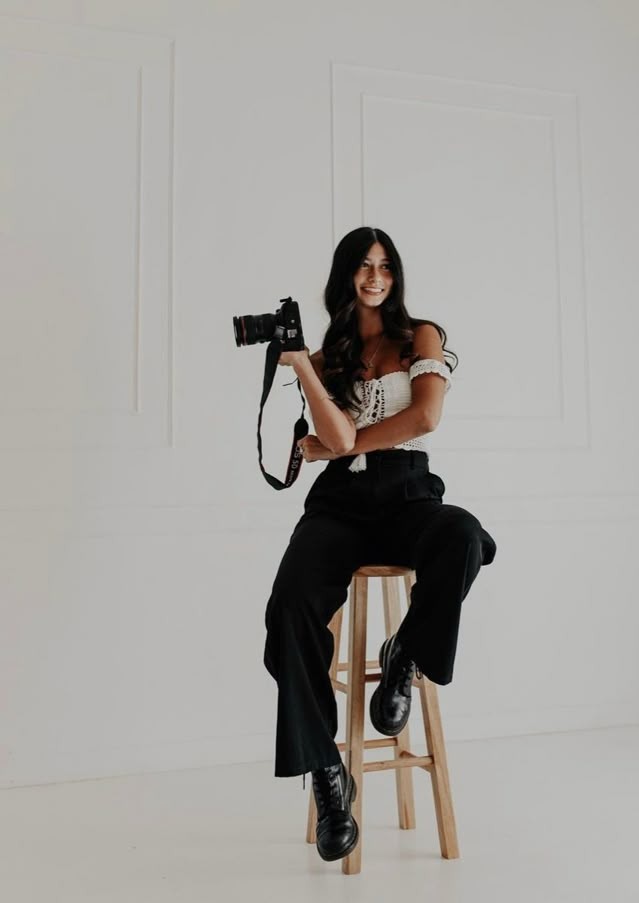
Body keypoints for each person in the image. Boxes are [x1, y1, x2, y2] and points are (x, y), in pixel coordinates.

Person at [263, 226, 497, 862]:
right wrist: (304, 368)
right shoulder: (334, 353)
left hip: (406, 491)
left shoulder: (422, 336)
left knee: (460, 534)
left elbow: (424, 418)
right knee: (290, 607)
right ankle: (328, 775)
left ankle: (407, 653)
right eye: (364, 266)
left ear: (396, 276)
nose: (375, 277)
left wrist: (341, 444)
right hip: (338, 505)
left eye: (385, 266)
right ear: (345, 276)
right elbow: (329, 438)